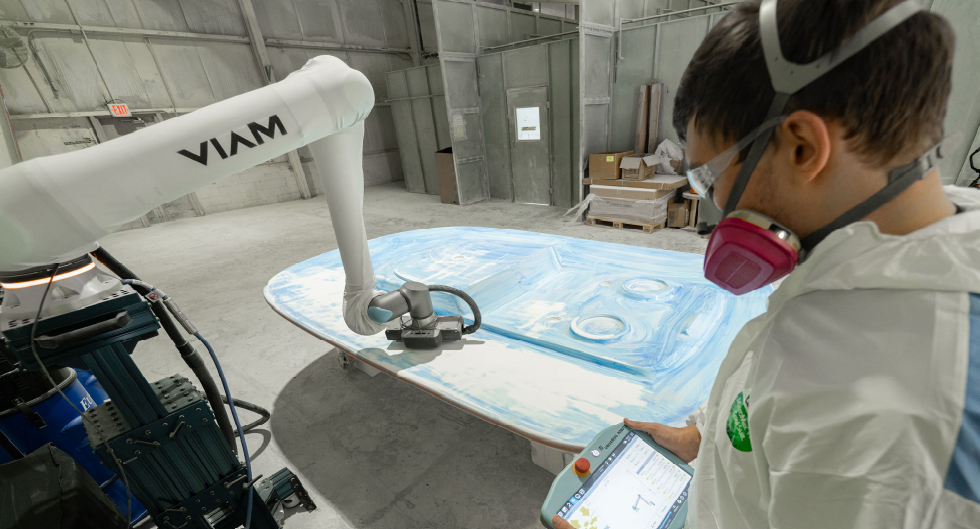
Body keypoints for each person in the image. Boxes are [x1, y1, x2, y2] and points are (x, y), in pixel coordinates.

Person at [552, 0, 979, 527]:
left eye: (711, 176)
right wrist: (704, 438)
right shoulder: (872, 265)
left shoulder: (890, 434)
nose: (716, 202)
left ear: (802, 147)